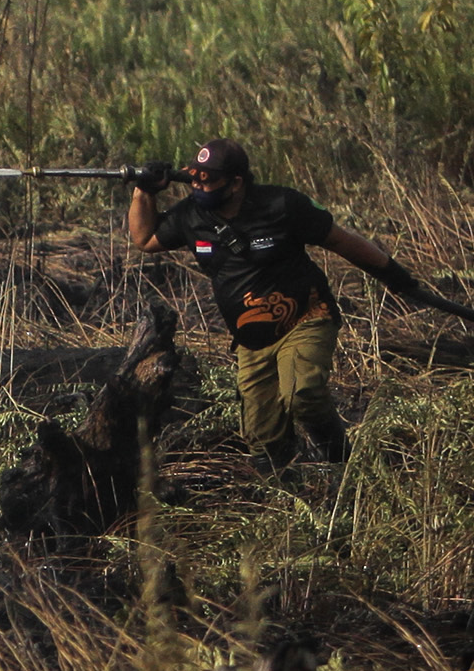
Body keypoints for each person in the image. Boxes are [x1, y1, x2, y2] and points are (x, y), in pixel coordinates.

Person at [124, 137, 439, 477]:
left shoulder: (282, 205)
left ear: (236, 183)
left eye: (209, 178)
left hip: (306, 317)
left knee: (303, 395)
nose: (199, 183)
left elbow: (342, 241)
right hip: (251, 339)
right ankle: (291, 497)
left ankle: (347, 470)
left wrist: (396, 277)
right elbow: (144, 240)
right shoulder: (190, 217)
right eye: (195, 175)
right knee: (262, 434)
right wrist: (145, 191)